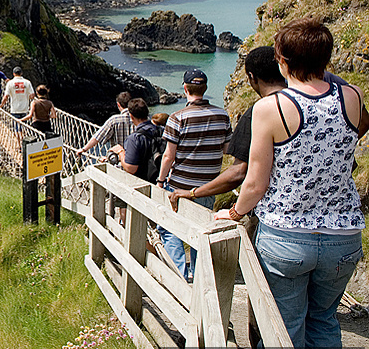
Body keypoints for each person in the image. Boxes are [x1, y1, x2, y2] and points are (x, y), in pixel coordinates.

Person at [215, 18, 364, 349]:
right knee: (324, 319)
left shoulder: (270, 109)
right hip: (343, 237)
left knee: (282, 328)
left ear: (282, 60)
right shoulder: (352, 97)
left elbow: (254, 182)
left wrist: (235, 212)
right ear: (327, 59)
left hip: (287, 237)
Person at [169, 46, 286, 211]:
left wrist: (193, 193)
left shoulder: (258, 113)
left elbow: (238, 173)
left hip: (278, 216)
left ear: (252, 77)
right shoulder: (307, 102)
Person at [157, 67, 232, 280]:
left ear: (185, 89)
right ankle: (200, 277)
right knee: (202, 232)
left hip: (179, 185)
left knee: (169, 229)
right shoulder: (222, 115)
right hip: (209, 186)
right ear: (205, 88)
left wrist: (161, 180)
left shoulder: (177, 117)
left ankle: (182, 275)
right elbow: (227, 149)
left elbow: (168, 156)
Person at [106, 98, 162, 223]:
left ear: (131, 116)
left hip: (139, 185)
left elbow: (131, 168)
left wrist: (120, 152)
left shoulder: (134, 138)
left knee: (131, 221)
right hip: (158, 183)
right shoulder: (160, 131)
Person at [76, 92, 134, 158]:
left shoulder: (114, 120)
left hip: (118, 161)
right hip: (137, 161)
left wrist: (84, 149)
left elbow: (97, 137)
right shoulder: (139, 119)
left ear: (118, 104)